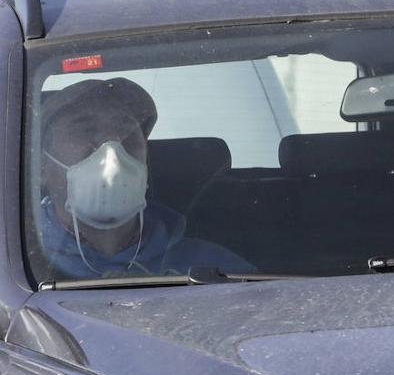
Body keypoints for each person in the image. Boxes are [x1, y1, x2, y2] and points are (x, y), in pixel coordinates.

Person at [38, 77, 252, 278]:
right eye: (84, 128)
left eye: (125, 128)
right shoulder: (20, 269)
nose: (112, 143)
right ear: (41, 166)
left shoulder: (214, 270)